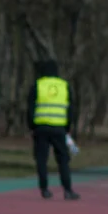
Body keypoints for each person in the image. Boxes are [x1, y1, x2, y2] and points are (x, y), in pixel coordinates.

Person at [28, 58, 80, 200]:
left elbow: (30, 108)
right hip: (59, 128)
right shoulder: (64, 86)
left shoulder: (38, 85)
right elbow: (70, 109)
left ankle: (44, 189)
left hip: (41, 127)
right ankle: (68, 190)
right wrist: (68, 127)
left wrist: (31, 126)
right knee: (63, 160)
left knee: (41, 159)